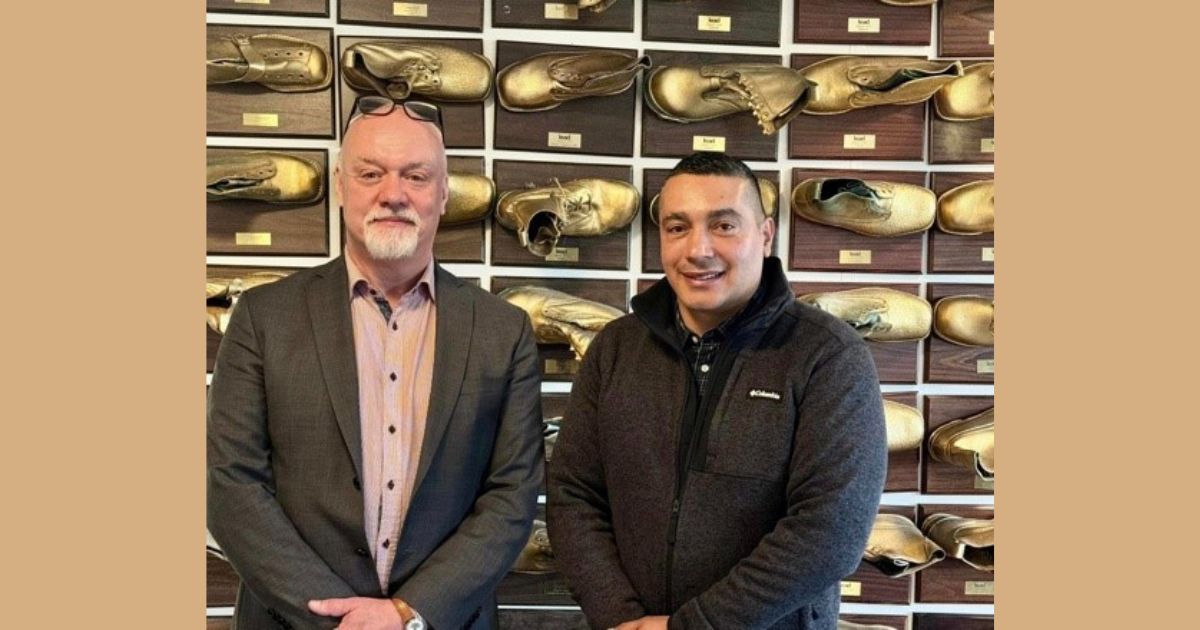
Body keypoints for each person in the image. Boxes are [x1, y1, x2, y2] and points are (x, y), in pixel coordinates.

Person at [207, 97, 543, 630]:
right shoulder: (263, 317)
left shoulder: (503, 331)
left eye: (416, 175)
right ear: (341, 185)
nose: (393, 194)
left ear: (443, 193)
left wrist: (409, 613)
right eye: (371, 174)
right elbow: (231, 485)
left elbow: (512, 495)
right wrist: (339, 620)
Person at [546, 152, 887, 630]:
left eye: (723, 226)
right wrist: (618, 617)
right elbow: (573, 492)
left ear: (765, 235)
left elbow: (830, 530)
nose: (698, 250)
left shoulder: (828, 355)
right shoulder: (615, 348)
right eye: (677, 227)